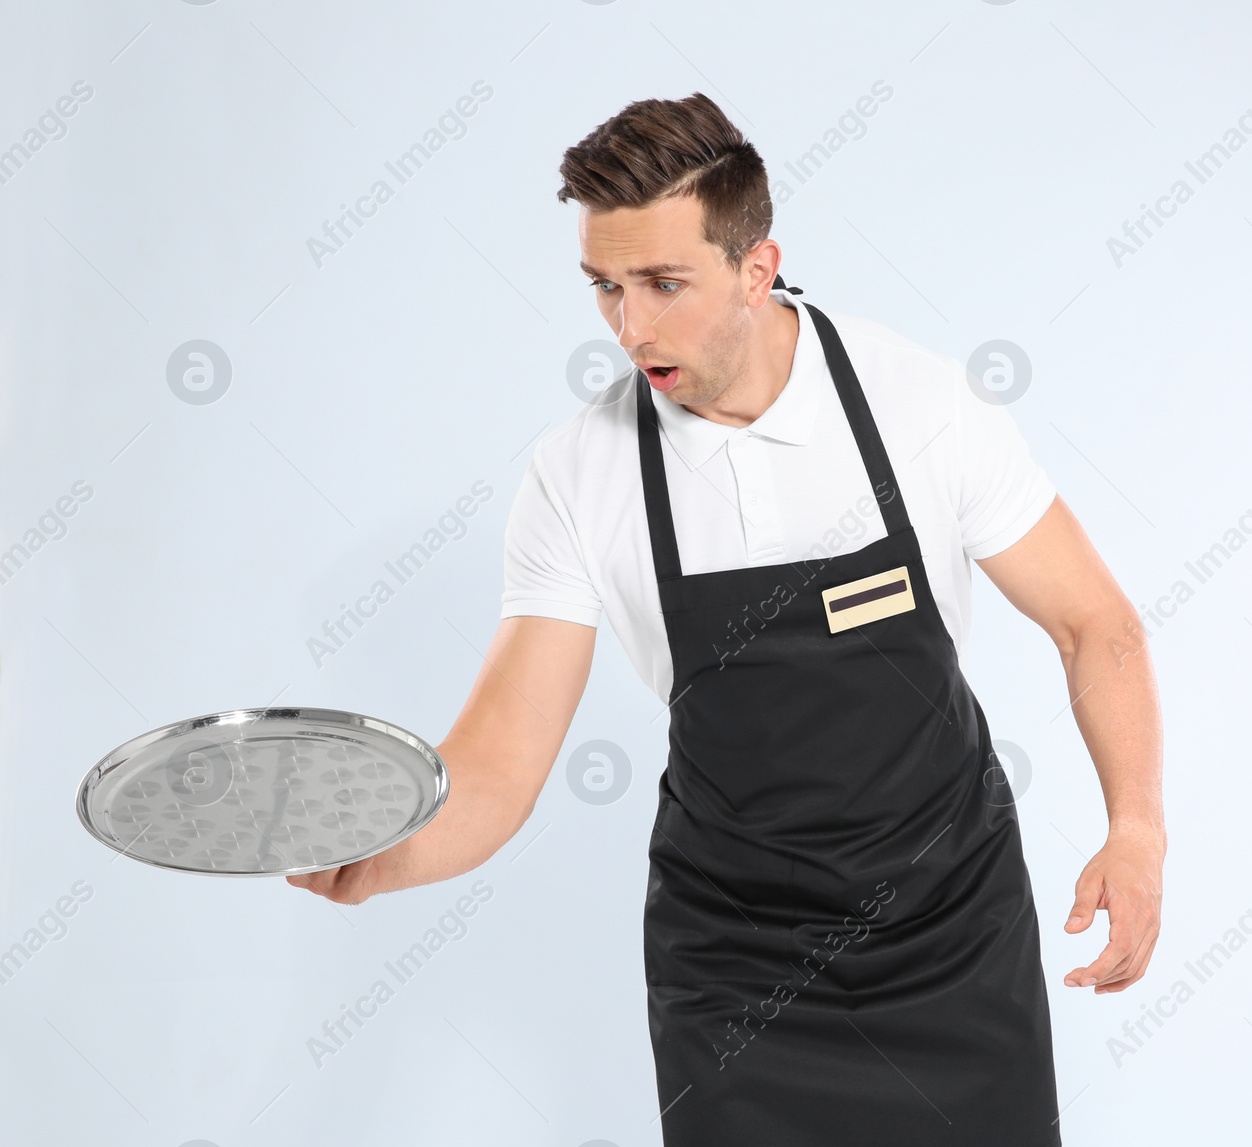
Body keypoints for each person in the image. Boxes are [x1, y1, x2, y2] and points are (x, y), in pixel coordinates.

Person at [289, 90, 1166, 1144]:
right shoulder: (580, 475)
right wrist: (382, 857)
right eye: (605, 287)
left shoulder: (921, 408)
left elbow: (1093, 624)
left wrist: (1136, 831)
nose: (630, 326)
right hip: (738, 972)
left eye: (664, 283)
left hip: (950, 936)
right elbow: (498, 763)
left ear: (757, 267)